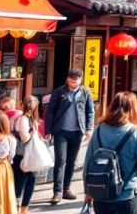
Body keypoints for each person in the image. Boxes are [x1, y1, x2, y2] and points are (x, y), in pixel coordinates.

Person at [83, 92, 137, 214]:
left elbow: (88, 162)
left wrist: (87, 191)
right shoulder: (136, 132)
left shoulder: (98, 130)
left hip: (100, 192)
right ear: (133, 109)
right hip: (126, 194)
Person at [45, 69, 95, 205]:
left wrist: (89, 129)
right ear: (67, 79)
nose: (73, 82)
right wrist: (48, 130)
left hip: (77, 131)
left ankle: (66, 188)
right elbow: (50, 111)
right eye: (71, 80)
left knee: (72, 161)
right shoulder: (59, 92)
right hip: (60, 131)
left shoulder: (85, 92)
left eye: (76, 80)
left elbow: (90, 111)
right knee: (60, 160)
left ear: (80, 80)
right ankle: (57, 191)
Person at [13, 96, 42, 214]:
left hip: (29, 154)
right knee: (21, 182)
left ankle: (24, 208)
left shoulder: (28, 118)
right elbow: (24, 138)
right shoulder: (23, 119)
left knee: (30, 180)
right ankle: (18, 208)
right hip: (23, 154)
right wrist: (33, 131)